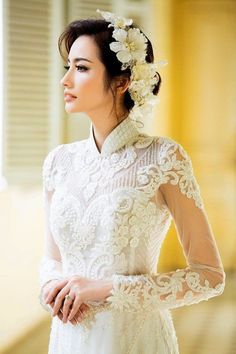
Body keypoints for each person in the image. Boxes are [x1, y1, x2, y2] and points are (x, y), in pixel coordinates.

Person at [38, 9, 226, 354]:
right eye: (68, 67)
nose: (65, 80)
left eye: (81, 68)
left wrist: (105, 289)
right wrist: (51, 286)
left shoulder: (163, 158)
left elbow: (209, 275)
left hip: (133, 339)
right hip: (68, 337)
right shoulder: (58, 162)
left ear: (122, 81)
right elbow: (52, 258)